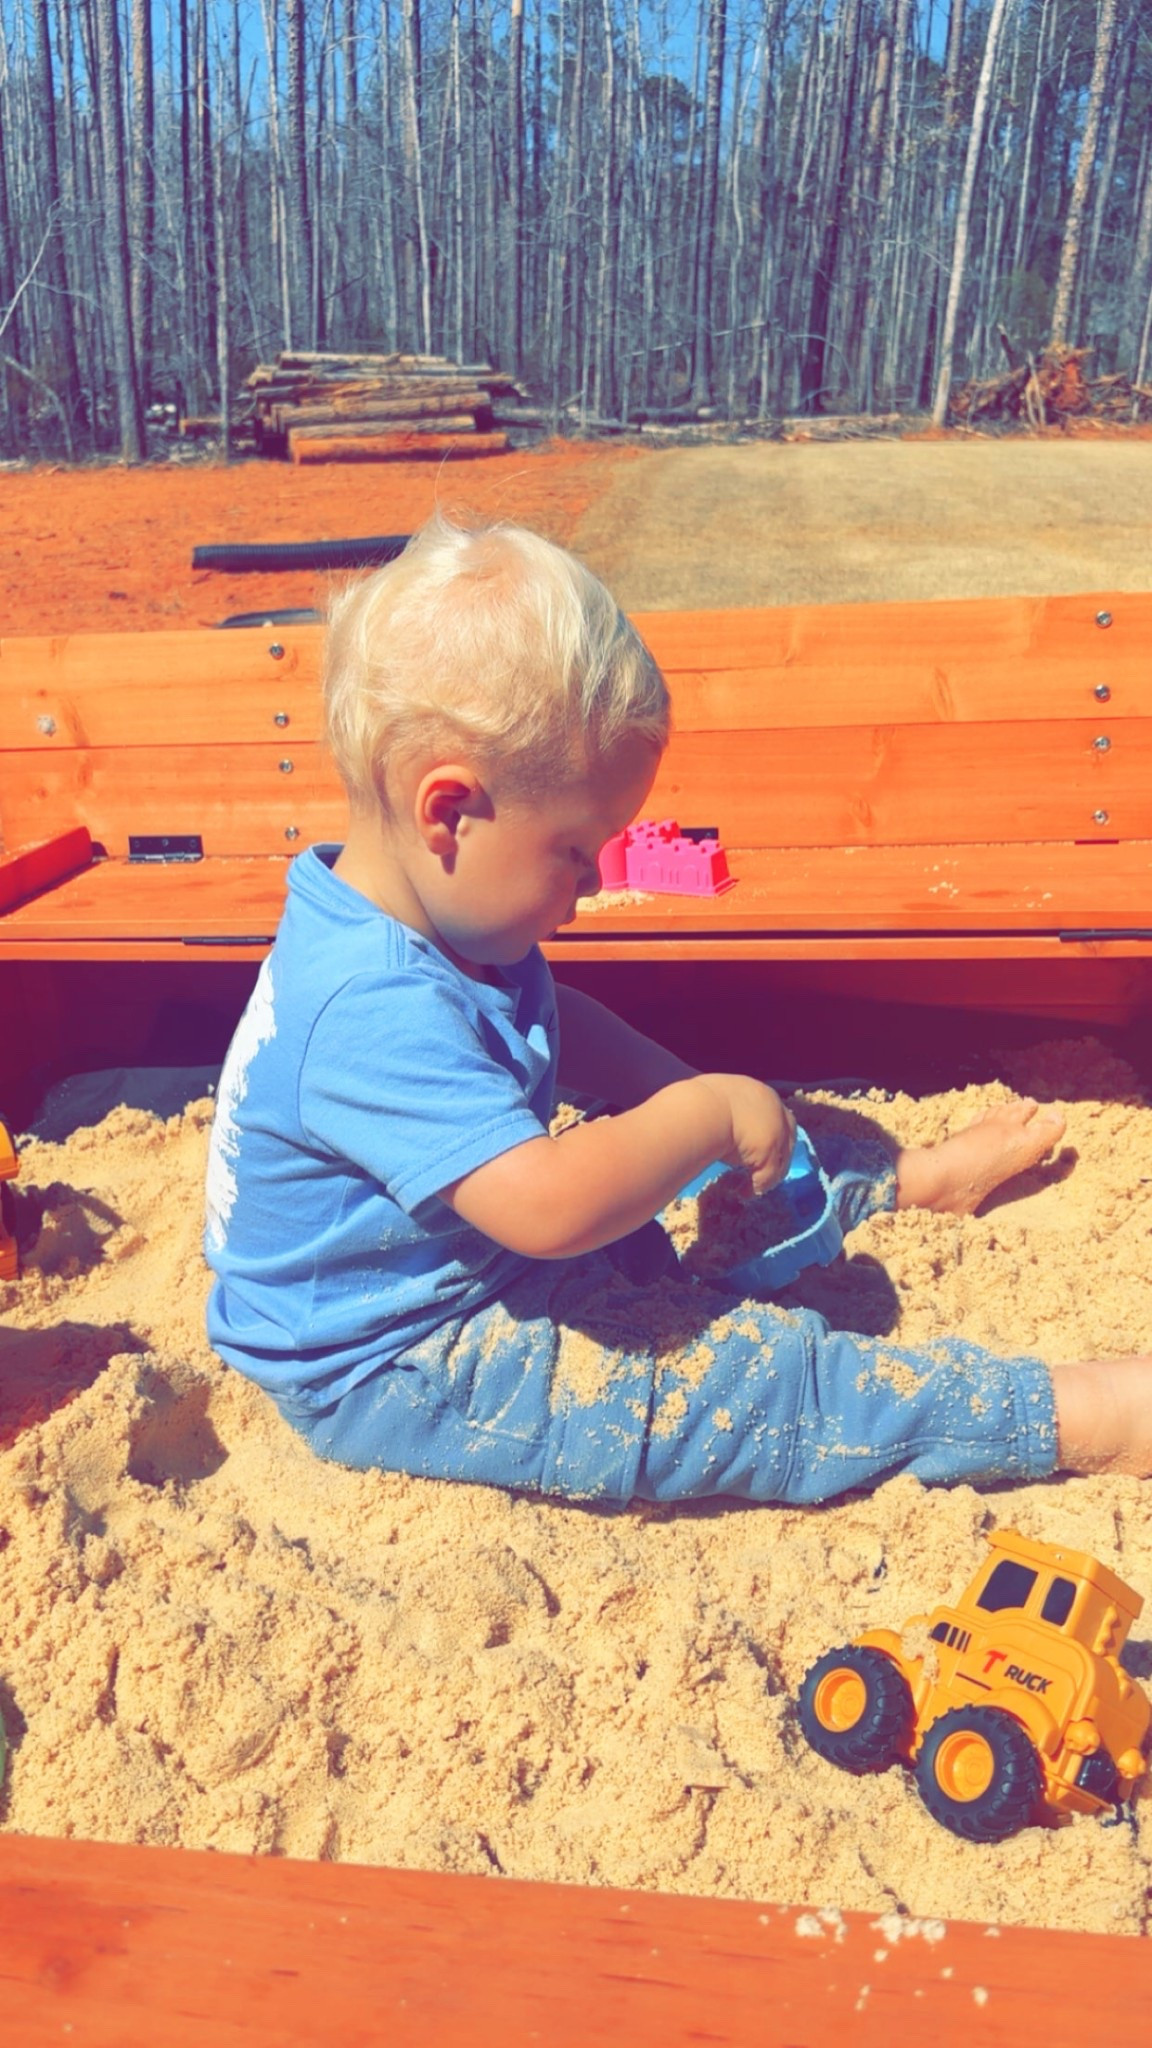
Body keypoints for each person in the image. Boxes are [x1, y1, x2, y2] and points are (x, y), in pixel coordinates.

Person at [203, 514, 1152, 1504]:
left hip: (472, 1258)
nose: (591, 888)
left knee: (745, 1125)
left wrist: (692, 1097)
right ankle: (1075, 1412)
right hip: (396, 1359)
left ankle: (899, 1178)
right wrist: (700, 1116)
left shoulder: (440, 919)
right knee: (750, 1389)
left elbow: (552, 1018)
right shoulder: (363, 1000)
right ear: (449, 810)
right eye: (576, 853)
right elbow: (549, 1204)